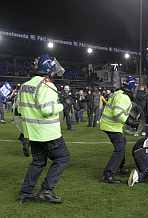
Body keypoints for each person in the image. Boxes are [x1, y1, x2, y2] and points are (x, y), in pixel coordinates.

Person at [18, 54, 70, 204]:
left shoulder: (25, 85)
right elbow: (47, 110)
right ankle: (46, 190)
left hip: (32, 132)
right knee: (62, 158)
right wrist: (63, 105)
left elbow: (20, 110)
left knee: (38, 162)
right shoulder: (46, 85)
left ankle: (26, 192)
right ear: (48, 69)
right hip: (48, 133)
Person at [100, 83, 132, 184]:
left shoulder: (117, 94)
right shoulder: (123, 97)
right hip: (112, 126)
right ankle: (108, 174)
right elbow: (117, 113)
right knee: (120, 149)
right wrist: (128, 121)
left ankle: (119, 167)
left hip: (109, 124)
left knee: (122, 143)